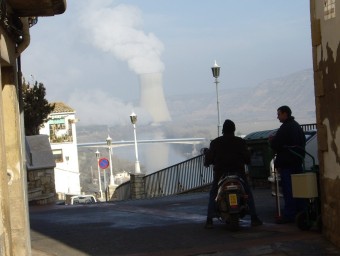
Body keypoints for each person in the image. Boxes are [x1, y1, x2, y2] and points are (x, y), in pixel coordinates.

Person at [203, 119, 263, 229]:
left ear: (223, 130)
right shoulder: (240, 142)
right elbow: (247, 158)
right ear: (234, 130)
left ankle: (209, 220)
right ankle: (254, 218)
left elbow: (209, 158)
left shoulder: (215, 142)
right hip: (238, 173)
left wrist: (207, 160)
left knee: (213, 193)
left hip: (220, 174)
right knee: (247, 192)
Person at [269, 105, 306, 224]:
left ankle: (290, 214)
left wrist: (272, 141)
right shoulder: (296, 126)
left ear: (285, 114)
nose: (277, 117)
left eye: (279, 114)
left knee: (289, 190)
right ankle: (301, 211)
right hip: (297, 162)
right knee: (299, 189)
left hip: (287, 163)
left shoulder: (285, 128)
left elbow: (277, 144)